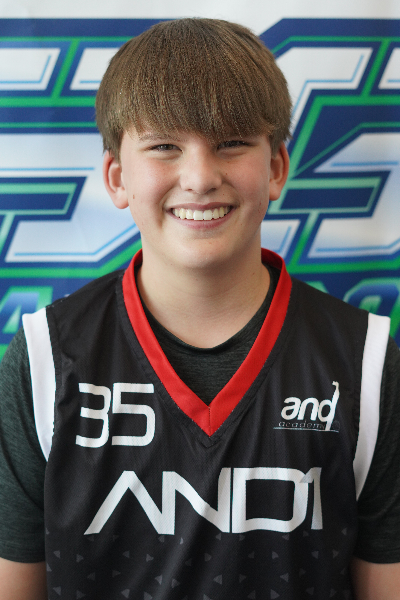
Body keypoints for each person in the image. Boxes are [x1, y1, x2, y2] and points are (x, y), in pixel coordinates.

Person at [0, 18, 399, 600]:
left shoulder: (365, 360)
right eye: (165, 146)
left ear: (276, 169)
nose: (200, 177)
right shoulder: (44, 359)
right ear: (117, 177)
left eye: (231, 143)